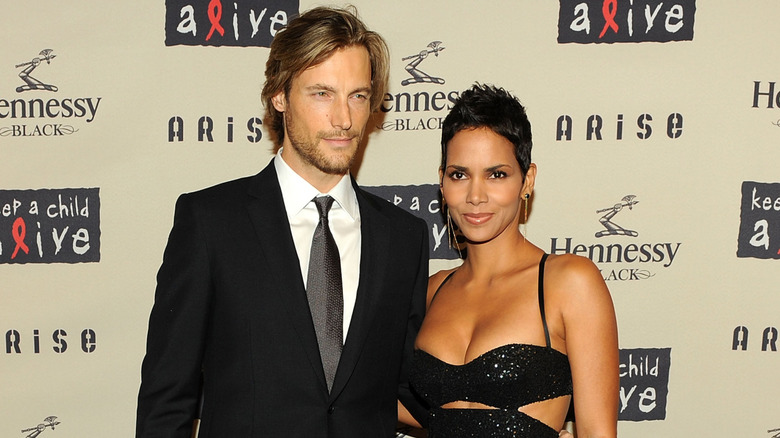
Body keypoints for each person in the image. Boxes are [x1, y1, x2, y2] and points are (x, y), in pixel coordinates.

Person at [135, 6, 430, 437]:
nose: (344, 119)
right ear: (279, 96)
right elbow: (167, 399)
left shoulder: (404, 237)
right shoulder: (211, 224)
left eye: (358, 95)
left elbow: (409, 389)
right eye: (321, 93)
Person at [399, 84, 619, 437]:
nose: (475, 196)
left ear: (527, 180)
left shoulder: (567, 282)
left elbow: (598, 432)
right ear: (442, 182)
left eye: (496, 174)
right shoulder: (432, 290)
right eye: (459, 174)